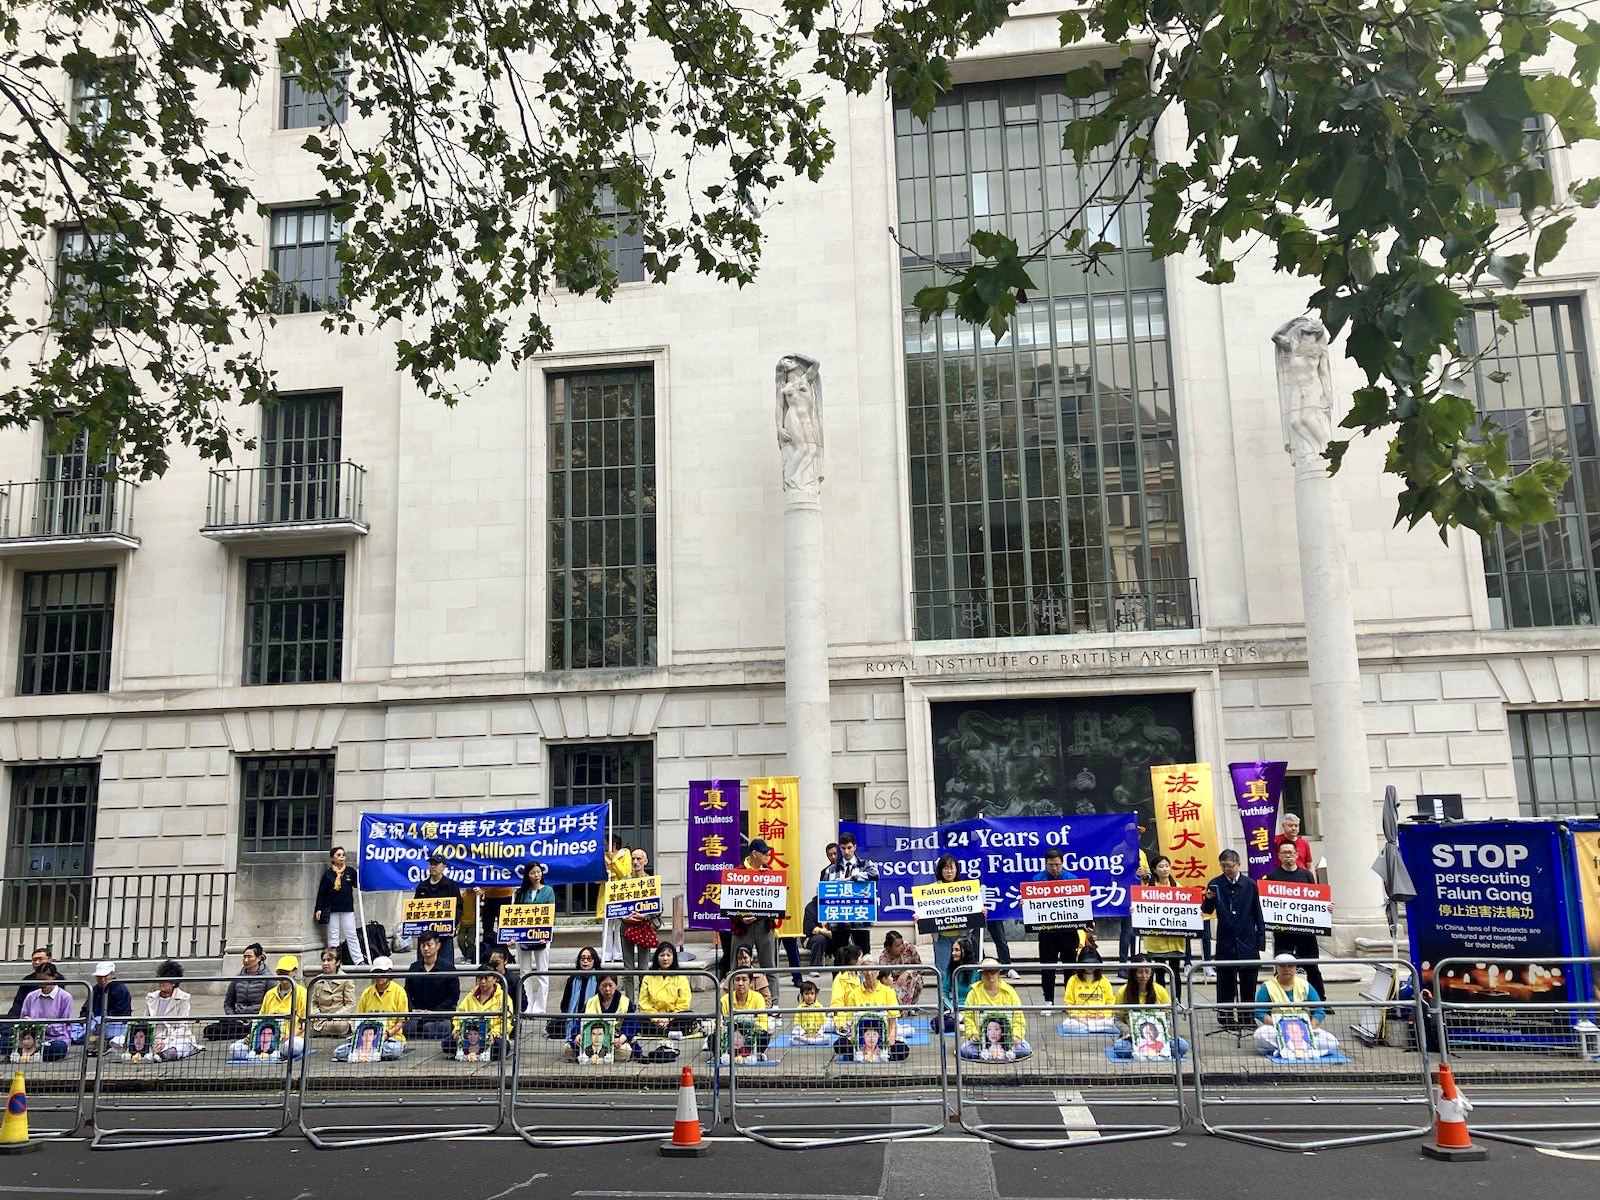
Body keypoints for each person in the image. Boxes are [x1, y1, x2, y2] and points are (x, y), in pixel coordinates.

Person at [1202, 849, 1264, 1029]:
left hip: (1247, 940)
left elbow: (1257, 913)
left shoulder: (1250, 884)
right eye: (1223, 866)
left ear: (1238, 865)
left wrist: (1260, 940)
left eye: (1229, 866)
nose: (1226, 869)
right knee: (1225, 981)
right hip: (1226, 940)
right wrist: (1208, 899)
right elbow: (1207, 911)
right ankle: (1226, 1017)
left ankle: (1247, 1017)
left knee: (1248, 981)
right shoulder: (1215, 883)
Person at [1028, 847, 1094, 1011]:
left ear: (1062, 863)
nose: (1055, 868)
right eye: (1051, 865)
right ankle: (1048, 1001)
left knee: (1070, 967)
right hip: (1047, 933)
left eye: (1057, 864)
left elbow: (1080, 905)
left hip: (1068, 932)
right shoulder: (1037, 881)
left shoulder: (1073, 879)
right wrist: (1027, 903)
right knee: (1047, 967)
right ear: (1045, 864)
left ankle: (1069, 1000)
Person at [1263, 839, 1327, 998]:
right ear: (1279, 856)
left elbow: (1316, 900)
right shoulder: (1272, 876)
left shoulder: (1306, 875)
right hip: (1283, 931)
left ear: (1296, 854)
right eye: (1284, 853)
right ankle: (1279, 999)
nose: (1288, 856)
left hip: (1305, 931)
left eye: (1290, 853)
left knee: (1312, 966)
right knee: (1282, 966)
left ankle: (1319, 1000)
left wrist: (1326, 907)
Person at [1252, 953, 1340, 1058]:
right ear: (1277, 967)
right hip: (1278, 1028)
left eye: (1290, 966)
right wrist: (1279, 1026)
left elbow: (1319, 1010)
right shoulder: (1267, 987)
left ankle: (1285, 1051)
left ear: (1295, 967)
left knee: (1333, 1042)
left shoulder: (1305, 985)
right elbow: (1260, 1012)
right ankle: (1304, 1051)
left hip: (1304, 1030)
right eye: (1283, 966)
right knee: (1259, 1035)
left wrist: (1311, 1026)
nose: (1287, 969)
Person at [727, 838, 780, 1000]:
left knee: (770, 966)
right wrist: (741, 918)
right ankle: (732, 1002)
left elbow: (777, 900)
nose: (767, 855)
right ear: (754, 854)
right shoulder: (737, 872)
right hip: (742, 927)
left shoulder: (769, 872)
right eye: (764, 852)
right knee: (737, 965)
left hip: (765, 925)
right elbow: (729, 904)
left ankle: (774, 1003)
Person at [1109, 956, 1189, 1059]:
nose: (1144, 976)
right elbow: (1117, 1019)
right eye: (1140, 972)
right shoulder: (1123, 992)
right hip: (1132, 1037)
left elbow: (1169, 1016)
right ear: (1133, 973)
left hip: (1159, 1037)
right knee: (1120, 1047)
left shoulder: (1160, 990)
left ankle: (1149, 1051)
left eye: (1147, 972)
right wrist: (1127, 1031)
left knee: (1182, 1046)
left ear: (1151, 973)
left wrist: (1163, 1030)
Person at [229, 955, 306, 1060]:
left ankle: (273, 1053)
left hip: (289, 1039)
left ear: (294, 972)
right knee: (234, 1049)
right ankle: (262, 1053)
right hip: (264, 1039)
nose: (282, 976)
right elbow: (260, 1019)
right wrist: (252, 1036)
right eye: (280, 972)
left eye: (285, 972)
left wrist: (291, 1035)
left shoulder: (302, 993)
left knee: (293, 1046)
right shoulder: (270, 994)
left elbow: (304, 1022)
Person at [333, 957, 407, 1061]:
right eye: (377, 972)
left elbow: (401, 1021)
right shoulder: (367, 993)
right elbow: (358, 1019)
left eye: (382, 972)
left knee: (395, 1050)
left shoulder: (399, 992)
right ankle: (370, 1054)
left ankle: (366, 1055)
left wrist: (387, 1034)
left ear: (390, 972)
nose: (379, 976)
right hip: (366, 1040)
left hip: (390, 1039)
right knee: (339, 1052)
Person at [835, 961, 910, 1062]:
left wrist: (890, 1039)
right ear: (861, 973)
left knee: (902, 1050)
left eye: (873, 970)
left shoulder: (888, 992)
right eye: (866, 971)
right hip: (861, 1037)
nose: (869, 974)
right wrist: (854, 1038)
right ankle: (857, 1054)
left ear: (878, 972)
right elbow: (852, 1021)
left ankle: (884, 1054)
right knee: (840, 1045)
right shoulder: (854, 994)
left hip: (882, 1037)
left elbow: (892, 1021)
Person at [958, 957, 1031, 1061]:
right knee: (965, 1049)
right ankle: (1000, 1056)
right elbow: (968, 1017)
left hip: (1007, 1041)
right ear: (981, 974)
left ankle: (994, 1055)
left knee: (1025, 1049)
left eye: (993, 972)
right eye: (986, 972)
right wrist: (973, 1034)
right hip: (981, 1040)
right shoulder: (973, 993)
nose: (990, 975)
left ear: (998, 973)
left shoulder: (1010, 992)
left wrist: (1016, 1036)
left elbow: (1018, 1017)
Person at [1141, 855, 1191, 1002]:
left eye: (1167, 866)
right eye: (1161, 867)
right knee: (1159, 973)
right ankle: (1160, 1001)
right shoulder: (1148, 889)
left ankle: (1177, 1001)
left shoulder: (1178, 887)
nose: (1165, 869)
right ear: (1155, 870)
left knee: (1175, 971)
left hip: (1175, 939)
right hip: (1156, 940)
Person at [820, 831, 879, 958]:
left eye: (849, 848)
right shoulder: (830, 870)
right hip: (838, 921)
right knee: (839, 956)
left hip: (860, 918)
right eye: (843, 848)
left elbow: (875, 875)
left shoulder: (865, 864)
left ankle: (864, 978)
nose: (846, 852)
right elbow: (823, 893)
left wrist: (851, 878)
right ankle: (840, 978)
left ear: (855, 847)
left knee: (864, 955)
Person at [510, 861, 555, 1014]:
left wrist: (546, 933)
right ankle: (527, 1005)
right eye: (533, 873)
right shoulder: (521, 893)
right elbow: (514, 916)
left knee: (542, 972)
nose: (536, 875)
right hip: (523, 936)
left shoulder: (548, 891)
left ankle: (540, 1007)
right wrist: (512, 935)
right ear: (527, 875)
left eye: (538, 872)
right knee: (525, 972)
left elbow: (550, 915)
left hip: (541, 936)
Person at [618, 846, 660, 1002]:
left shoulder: (651, 882)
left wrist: (644, 915)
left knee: (644, 968)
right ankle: (629, 1003)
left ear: (646, 861)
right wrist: (623, 918)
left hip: (644, 929)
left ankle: (643, 1002)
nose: (635, 862)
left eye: (639, 859)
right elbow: (615, 906)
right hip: (626, 928)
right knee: (627, 969)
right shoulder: (623, 882)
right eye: (633, 859)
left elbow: (658, 907)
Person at [204, 942, 270, 1041]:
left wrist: (254, 1019)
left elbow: (270, 1004)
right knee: (210, 1030)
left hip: (256, 1019)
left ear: (259, 958)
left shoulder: (269, 978)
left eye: (249, 957)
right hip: (238, 1019)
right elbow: (228, 1003)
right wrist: (235, 1018)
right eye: (244, 957)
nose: (246, 960)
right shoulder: (237, 978)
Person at [930, 855, 974, 994]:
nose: (949, 871)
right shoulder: (931, 889)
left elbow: (972, 910)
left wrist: (979, 912)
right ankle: (944, 1004)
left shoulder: (965, 888)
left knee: (964, 970)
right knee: (943, 972)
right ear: (940, 870)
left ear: (956, 870)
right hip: (941, 938)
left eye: (952, 868)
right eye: (945, 868)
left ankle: (965, 1001)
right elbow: (925, 910)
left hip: (962, 937)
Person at [314, 845, 364, 966]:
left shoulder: (350, 872)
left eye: (343, 855)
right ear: (332, 858)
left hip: (347, 908)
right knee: (333, 936)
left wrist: (362, 869)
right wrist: (318, 908)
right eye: (338, 855)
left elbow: (359, 884)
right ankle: (334, 960)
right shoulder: (328, 874)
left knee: (351, 934)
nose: (341, 857)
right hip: (332, 909)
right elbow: (322, 892)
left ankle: (358, 960)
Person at [405, 932, 461, 1039]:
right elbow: (407, 992)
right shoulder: (414, 968)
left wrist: (435, 1011)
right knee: (407, 1027)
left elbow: (453, 996)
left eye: (429, 945)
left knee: (439, 1027)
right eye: (423, 945)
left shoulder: (448, 968)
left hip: (440, 1016)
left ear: (438, 946)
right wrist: (412, 1009)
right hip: (418, 1014)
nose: (426, 948)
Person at [413, 853, 464, 968]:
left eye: (436, 864)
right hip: (425, 935)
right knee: (423, 966)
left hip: (444, 935)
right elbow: (415, 909)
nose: (432, 867)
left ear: (443, 867)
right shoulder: (422, 886)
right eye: (431, 864)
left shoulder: (451, 886)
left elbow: (458, 907)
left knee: (445, 967)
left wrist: (453, 924)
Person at [637, 943, 697, 1038]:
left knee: (689, 1016)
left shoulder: (681, 977)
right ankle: (669, 1033)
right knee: (638, 1020)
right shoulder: (648, 977)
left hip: (674, 1017)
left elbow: (684, 1003)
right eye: (662, 955)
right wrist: (657, 1019)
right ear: (657, 957)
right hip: (654, 1019)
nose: (665, 959)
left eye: (668, 955)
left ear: (674, 957)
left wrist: (668, 1018)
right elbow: (643, 1003)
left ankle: (663, 1031)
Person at [143, 959, 199, 1061]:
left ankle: (162, 1054)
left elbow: (182, 1027)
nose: (160, 983)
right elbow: (145, 1022)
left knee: (174, 1051)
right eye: (160, 979)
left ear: (173, 982)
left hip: (175, 1038)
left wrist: (165, 1042)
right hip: (154, 1037)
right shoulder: (151, 998)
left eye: (164, 980)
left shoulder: (183, 998)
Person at [570, 974, 634, 1062]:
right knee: (568, 1048)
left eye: (610, 985)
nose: (607, 989)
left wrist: (621, 1039)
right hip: (589, 1043)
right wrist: (577, 1035)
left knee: (626, 1050)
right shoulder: (591, 1002)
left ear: (616, 986)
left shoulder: (625, 1002)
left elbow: (631, 1023)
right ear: (599, 987)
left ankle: (603, 1058)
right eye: (604, 985)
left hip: (616, 1042)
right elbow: (580, 1021)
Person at [445, 971, 507, 1060]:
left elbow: (507, 1021)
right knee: (446, 1043)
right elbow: (458, 1015)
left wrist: (494, 1034)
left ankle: (481, 1053)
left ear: (495, 979)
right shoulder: (470, 996)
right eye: (480, 978)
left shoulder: (503, 997)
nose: (482, 981)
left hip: (491, 1036)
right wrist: (457, 1030)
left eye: (486, 978)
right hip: (468, 1035)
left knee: (501, 1046)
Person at [18, 965, 73, 1061]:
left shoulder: (65, 997)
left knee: (59, 1047)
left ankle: (33, 1055)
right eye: (39, 980)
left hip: (55, 1039)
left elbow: (65, 1025)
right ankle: (31, 1054)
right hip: (32, 1040)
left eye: (44, 979)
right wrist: (26, 1022)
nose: (41, 983)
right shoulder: (31, 996)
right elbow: (23, 1018)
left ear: (53, 977)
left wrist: (41, 1024)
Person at [718, 969, 770, 1063]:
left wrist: (748, 1033)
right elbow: (721, 1023)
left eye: (744, 979)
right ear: (733, 982)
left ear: (750, 982)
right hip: (731, 1037)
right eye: (737, 979)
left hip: (750, 1035)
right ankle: (727, 1056)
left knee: (764, 1036)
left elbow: (763, 1022)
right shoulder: (725, 1000)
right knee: (713, 1039)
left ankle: (753, 1054)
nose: (740, 983)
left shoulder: (758, 998)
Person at [1060, 952, 1119, 1034]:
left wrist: (1104, 1014)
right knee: (1067, 1025)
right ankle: (1095, 1028)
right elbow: (1068, 1003)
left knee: (1117, 1024)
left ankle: (1090, 1028)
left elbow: (1111, 1002)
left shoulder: (1104, 980)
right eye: (1087, 963)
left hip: (1100, 1019)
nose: (1090, 966)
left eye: (1093, 963)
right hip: (1081, 1019)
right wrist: (1079, 1017)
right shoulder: (1073, 980)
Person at [78, 960, 131, 1049]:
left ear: (112, 975)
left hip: (115, 1023)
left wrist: (101, 1021)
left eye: (105, 977)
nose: (102, 980)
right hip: (96, 1023)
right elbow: (86, 1008)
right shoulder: (95, 989)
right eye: (99, 977)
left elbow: (120, 1012)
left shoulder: (120, 989)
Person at [555, 946, 601, 1042]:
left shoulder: (600, 979)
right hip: (574, 1022)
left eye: (589, 959)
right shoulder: (572, 980)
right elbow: (564, 1004)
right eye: (583, 958)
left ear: (594, 961)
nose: (585, 961)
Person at [309, 948, 356, 1038]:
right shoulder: (317, 980)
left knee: (341, 1026)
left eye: (329, 960)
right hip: (320, 1019)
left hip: (338, 1020)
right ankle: (322, 1030)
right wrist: (317, 1014)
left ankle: (321, 1031)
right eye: (323, 960)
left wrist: (336, 1016)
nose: (325, 963)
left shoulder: (346, 980)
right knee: (304, 1026)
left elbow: (351, 1004)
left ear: (337, 962)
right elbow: (313, 1003)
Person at [601, 835, 632, 965]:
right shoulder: (601, 857)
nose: (604, 846)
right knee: (607, 927)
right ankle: (606, 954)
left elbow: (625, 873)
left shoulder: (625, 854)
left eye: (606, 843)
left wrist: (614, 860)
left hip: (620, 894)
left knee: (620, 925)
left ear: (613, 844)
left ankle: (619, 954)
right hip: (606, 894)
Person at [939, 935, 975, 1032]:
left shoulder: (976, 970)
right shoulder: (950, 969)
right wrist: (952, 1008)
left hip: (973, 1010)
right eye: (952, 950)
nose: (953, 953)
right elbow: (943, 992)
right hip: (955, 1011)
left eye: (957, 950)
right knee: (937, 1024)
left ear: (965, 951)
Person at [880, 930, 924, 1006]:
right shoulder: (883, 958)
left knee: (917, 979)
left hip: (910, 978)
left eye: (902, 944)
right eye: (897, 946)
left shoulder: (909, 948)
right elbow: (884, 978)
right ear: (889, 947)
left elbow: (920, 967)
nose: (901, 947)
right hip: (894, 982)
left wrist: (907, 972)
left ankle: (911, 1005)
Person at [789, 979, 831, 1046]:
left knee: (827, 1040)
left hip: (817, 1035)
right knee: (792, 1041)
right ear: (802, 995)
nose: (809, 996)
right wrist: (803, 1033)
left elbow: (824, 1024)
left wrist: (819, 1033)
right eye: (806, 994)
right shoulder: (800, 1008)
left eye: (812, 993)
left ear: (815, 994)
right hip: (804, 1035)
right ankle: (807, 1041)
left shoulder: (820, 1007)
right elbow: (797, 1024)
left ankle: (811, 1041)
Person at [800, 894, 834, 969]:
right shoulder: (810, 907)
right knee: (820, 939)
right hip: (811, 937)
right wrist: (825, 932)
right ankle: (814, 967)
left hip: (831, 936)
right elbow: (809, 927)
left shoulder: (835, 904)